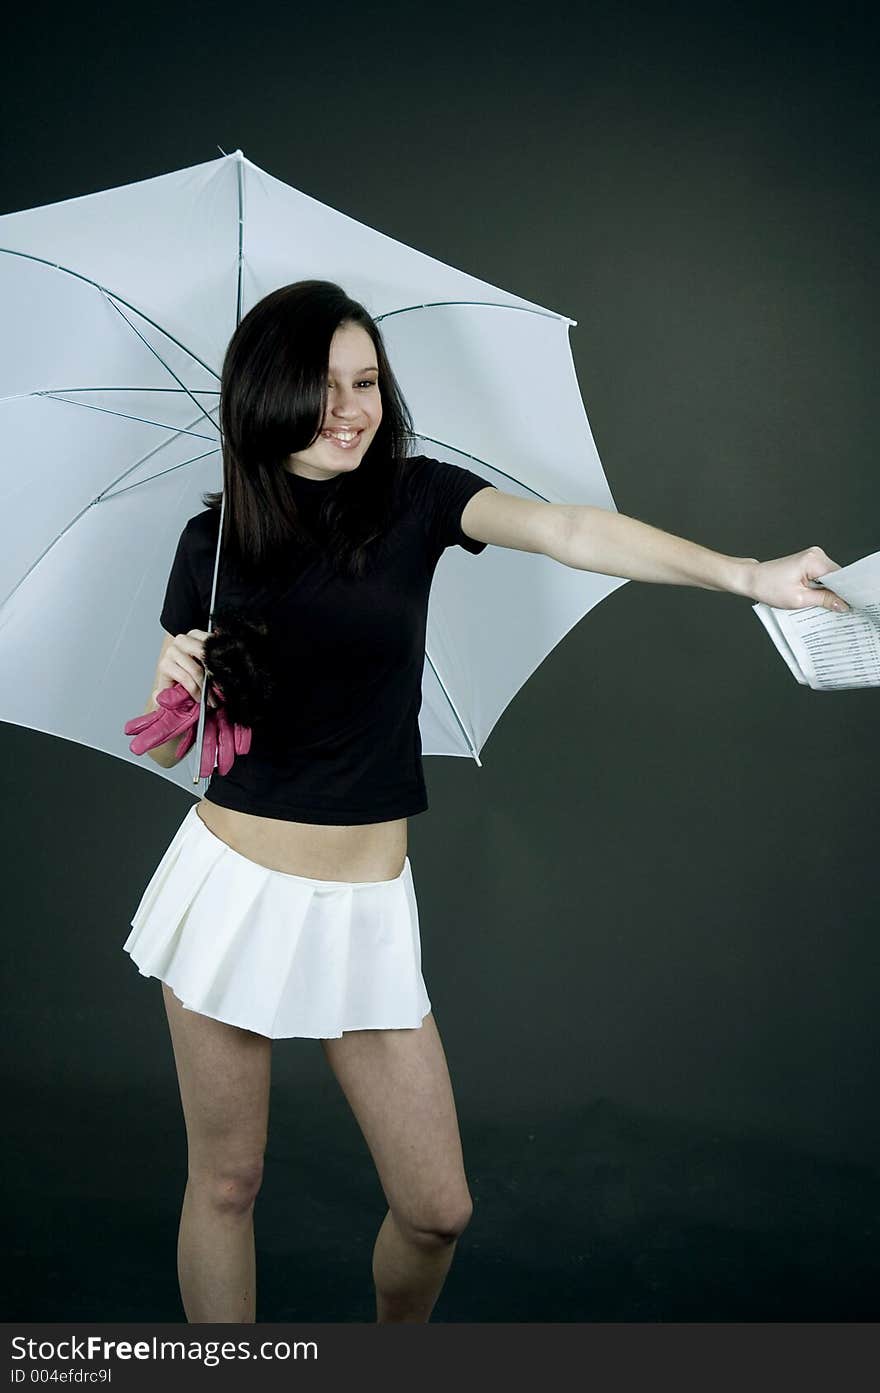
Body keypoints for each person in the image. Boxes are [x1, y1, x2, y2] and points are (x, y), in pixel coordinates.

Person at [123, 279, 848, 1326]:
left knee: (435, 1210)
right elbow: (169, 742)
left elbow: (567, 530)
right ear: (265, 395)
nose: (350, 408)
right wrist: (177, 692)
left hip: (363, 905)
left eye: (366, 382)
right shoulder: (214, 544)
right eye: (321, 386)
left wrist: (743, 575)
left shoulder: (414, 497)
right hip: (230, 889)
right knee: (226, 1184)